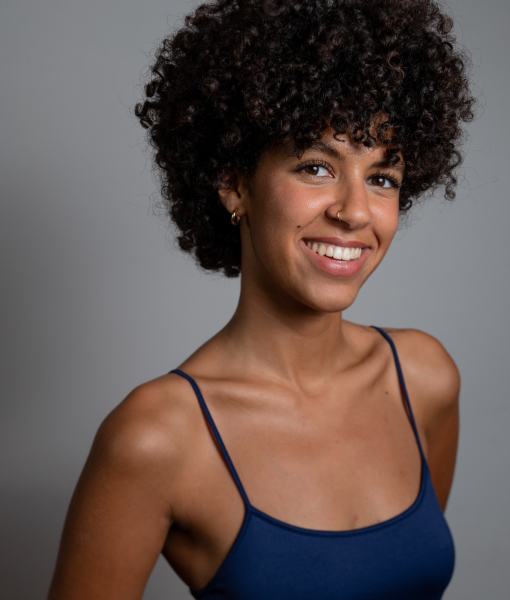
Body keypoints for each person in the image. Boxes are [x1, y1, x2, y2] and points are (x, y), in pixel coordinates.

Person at [48, 0, 476, 598]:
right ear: (234, 184)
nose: (355, 211)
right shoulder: (157, 437)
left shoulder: (425, 378)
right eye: (316, 167)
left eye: (382, 178)